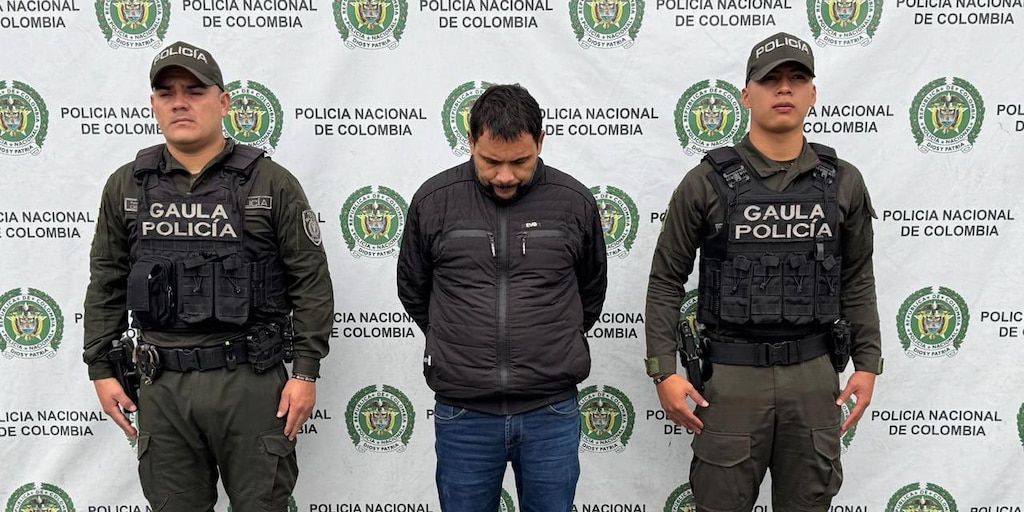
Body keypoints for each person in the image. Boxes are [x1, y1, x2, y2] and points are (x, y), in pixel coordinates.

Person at [82, 41, 333, 512]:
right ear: (153, 104)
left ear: (223, 102)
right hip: (162, 384)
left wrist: (305, 372)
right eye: (167, 93)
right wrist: (100, 368)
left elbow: (311, 283)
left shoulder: (270, 183)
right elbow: (106, 283)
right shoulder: (127, 186)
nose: (180, 102)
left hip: (250, 382)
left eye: (195, 91)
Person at [644, 32, 883, 511]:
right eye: (770, 79)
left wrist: (868, 362)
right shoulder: (706, 182)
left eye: (797, 78)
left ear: (813, 93)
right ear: (746, 95)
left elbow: (857, 278)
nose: (784, 88)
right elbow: (666, 280)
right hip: (732, 378)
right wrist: (663, 371)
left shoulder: (843, 182)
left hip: (813, 375)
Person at [397, 84, 607, 512]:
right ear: (471, 141)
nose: (505, 176)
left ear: (540, 141)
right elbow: (414, 290)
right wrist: (459, 338)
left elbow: (589, 291)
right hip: (464, 415)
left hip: (550, 410)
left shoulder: (573, 202)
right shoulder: (434, 202)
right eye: (491, 161)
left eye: (520, 162)